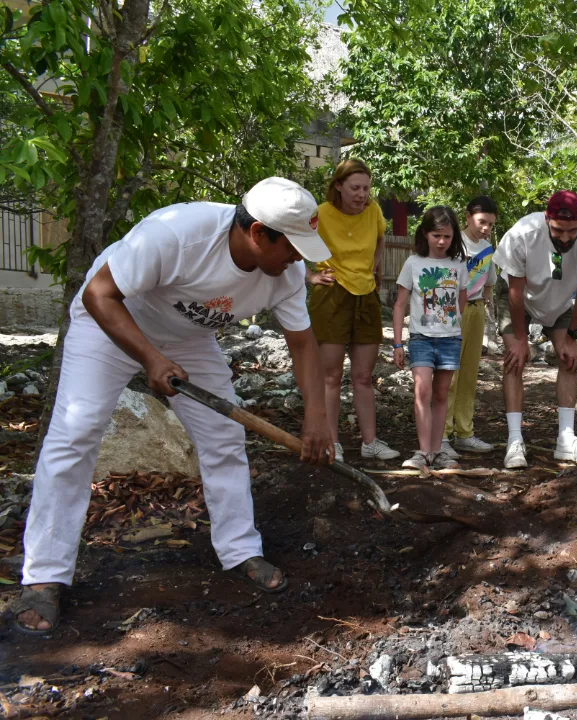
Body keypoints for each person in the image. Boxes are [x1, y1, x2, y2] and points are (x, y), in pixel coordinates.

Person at [9, 177, 334, 635]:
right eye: (293, 246)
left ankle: (240, 548)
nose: (299, 257)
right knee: (75, 435)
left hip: (189, 340)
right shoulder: (178, 232)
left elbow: (302, 344)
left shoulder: (287, 275)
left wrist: (316, 418)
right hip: (112, 322)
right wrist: (150, 358)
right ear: (259, 232)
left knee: (225, 436)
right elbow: (98, 294)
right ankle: (44, 575)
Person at [493, 190, 577, 469]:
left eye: (572, 230)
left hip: (558, 300)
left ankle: (566, 439)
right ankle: (514, 441)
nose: (565, 237)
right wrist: (520, 339)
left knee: (570, 358)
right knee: (515, 359)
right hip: (517, 298)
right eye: (558, 229)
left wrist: (572, 337)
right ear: (547, 219)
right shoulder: (523, 233)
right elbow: (515, 291)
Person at [307, 158, 399, 463]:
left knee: (363, 376)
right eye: (355, 188)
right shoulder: (320, 214)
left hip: (366, 296)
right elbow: (293, 246)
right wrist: (310, 276)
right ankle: (332, 442)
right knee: (331, 376)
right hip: (332, 295)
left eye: (366, 188)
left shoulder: (373, 211)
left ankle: (370, 442)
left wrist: (376, 269)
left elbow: (381, 237)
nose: (361, 194)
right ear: (338, 186)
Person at [392, 207, 468, 470]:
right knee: (421, 390)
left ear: (453, 237)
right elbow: (400, 305)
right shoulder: (413, 263)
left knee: (441, 394)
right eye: (436, 235)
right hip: (420, 338)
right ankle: (423, 452)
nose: (441, 241)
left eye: (447, 236)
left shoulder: (458, 265)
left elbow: (462, 300)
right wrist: (398, 343)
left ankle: (438, 450)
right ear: (425, 234)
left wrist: (451, 324)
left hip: (450, 340)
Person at [440, 196, 500, 458]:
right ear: (467, 217)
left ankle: (464, 433)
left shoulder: (487, 248)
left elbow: (490, 282)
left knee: (469, 374)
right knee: (448, 374)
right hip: (452, 311)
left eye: (490, 224)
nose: (486, 228)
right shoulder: (454, 244)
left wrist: (486, 305)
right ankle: (440, 435)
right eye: (481, 222)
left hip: (476, 311)